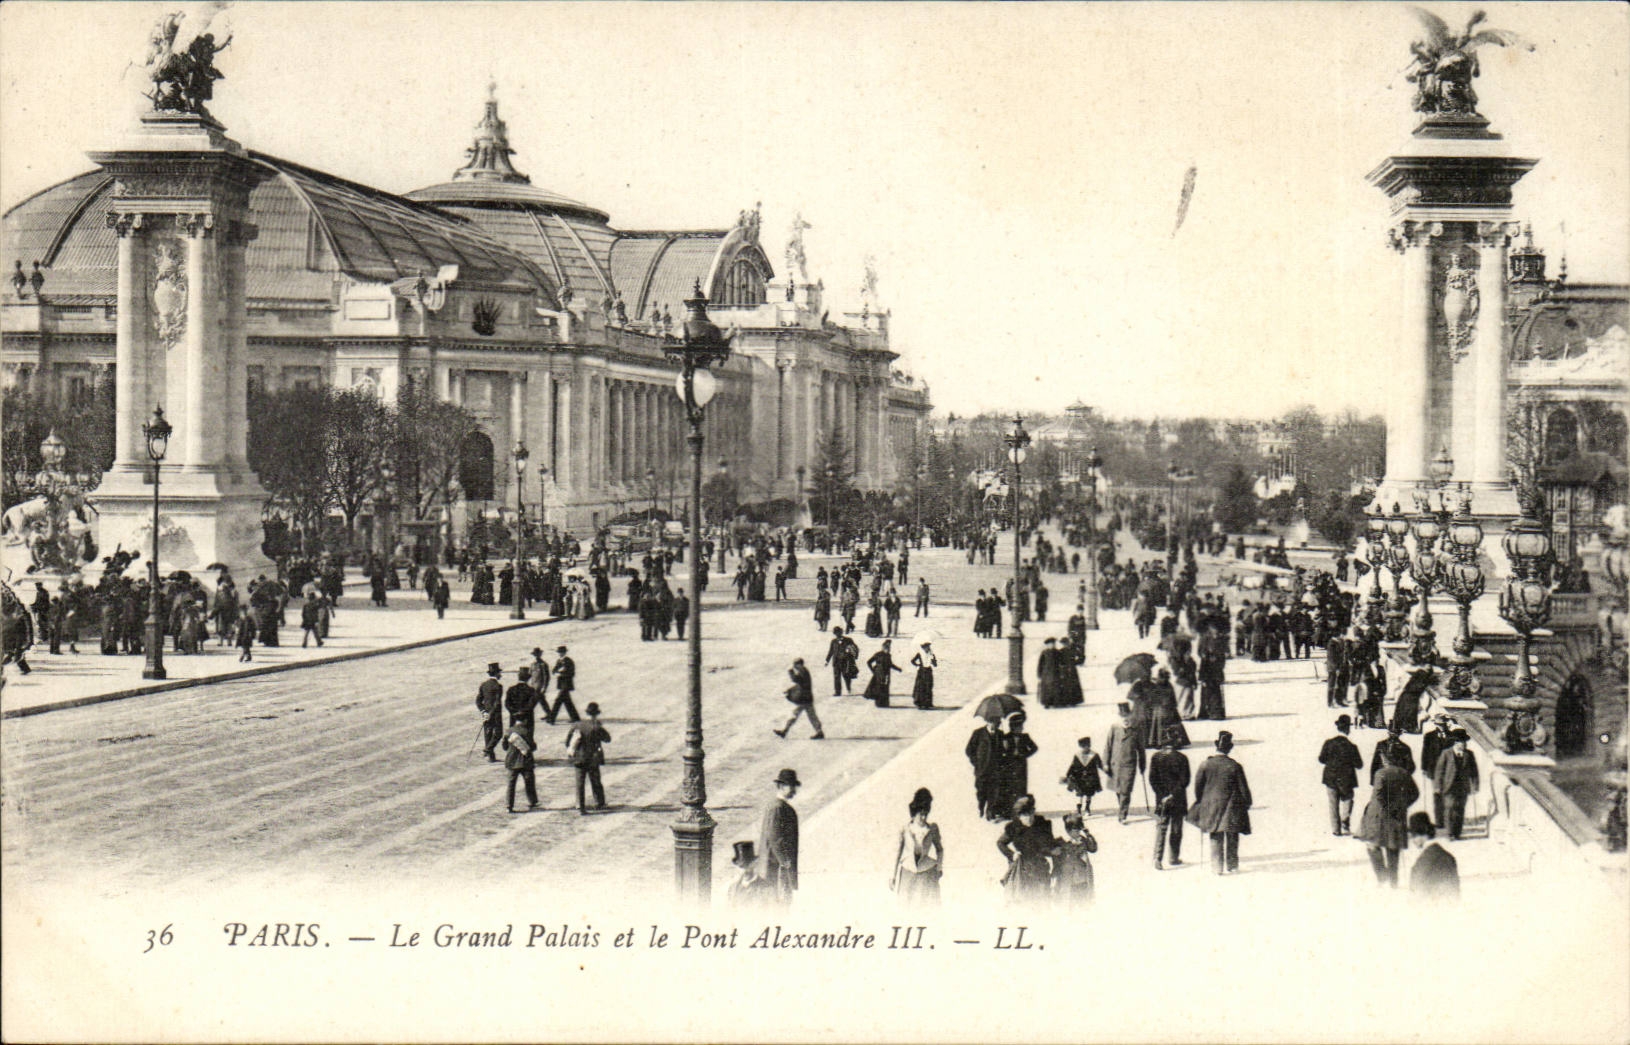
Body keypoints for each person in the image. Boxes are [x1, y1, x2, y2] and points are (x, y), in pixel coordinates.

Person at [1187, 731, 1252, 875]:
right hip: (1232, 807)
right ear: (1229, 748)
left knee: (1215, 835)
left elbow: (1198, 788)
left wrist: (1202, 801)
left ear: (1216, 746)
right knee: (1232, 835)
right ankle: (1232, 866)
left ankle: (1217, 868)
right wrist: (1247, 803)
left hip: (1212, 806)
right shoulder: (1235, 766)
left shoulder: (1206, 764)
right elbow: (1243, 789)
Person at [1357, 744, 1419, 887]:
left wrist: (1388, 808)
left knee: (1372, 845)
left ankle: (1382, 875)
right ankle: (1393, 881)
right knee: (1393, 848)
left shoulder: (1381, 774)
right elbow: (1415, 794)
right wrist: (1402, 806)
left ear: (1385, 760)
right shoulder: (1404, 773)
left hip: (1380, 816)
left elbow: (1378, 795)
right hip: (1398, 816)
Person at [996, 795, 1058, 904]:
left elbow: (1050, 845)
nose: (1028, 818)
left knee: (1042, 900)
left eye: (1030, 814)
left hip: (1040, 868)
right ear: (1019, 816)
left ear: (1034, 812)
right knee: (1022, 900)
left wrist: (1052, 852)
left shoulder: (1043, 825)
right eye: (1024, 815)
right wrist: (1012, 854)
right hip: (1021, 869)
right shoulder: (1013, 828)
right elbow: (1001, 843)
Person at [891, 787, 944, 906]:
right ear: (915, 812)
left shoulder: (932, 829)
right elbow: (897, 854)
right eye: (921, 814)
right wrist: (893, 876)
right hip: (908, 872)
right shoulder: (905, 829)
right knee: (905, 907)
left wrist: (939, 868)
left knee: (928, 907)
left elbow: (940, 850)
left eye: (926, 814)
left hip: (927, 873)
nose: (924, 818)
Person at [1149, 726, 1191, 870]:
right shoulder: (1182, 758)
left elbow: (1152, 780)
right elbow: (1185, 781)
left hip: (1161, 800)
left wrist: (1162, 796)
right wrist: (1173, 794)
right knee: (1176, 829)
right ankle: (1173, 857)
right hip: (1178, 799)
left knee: (1161, 827)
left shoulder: (1156, 758)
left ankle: (1157, 858)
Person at [758, 768, 801, 906]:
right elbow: (775, 838)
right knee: (778, 905)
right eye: (791, 787)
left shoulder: (780, 807)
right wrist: (784, 861)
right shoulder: (777, 808)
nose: (794, 791)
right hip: (776, 868)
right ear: (782, 787)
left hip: (779, 866)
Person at [1318, 714, 1365, 836]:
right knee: (1347, 799)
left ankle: (1336, 829)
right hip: (1347, 778)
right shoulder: (1352, 746)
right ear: (1348, 729)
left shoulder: (1328, 743)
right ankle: (1345, 820)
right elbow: (1359, 764)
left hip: (1330, 777)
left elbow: (1321, 759)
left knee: (1333, 803)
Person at [1432, 729, 1480, 841]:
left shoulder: (1469, 755)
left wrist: (1475, 786)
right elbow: (1439, 771)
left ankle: (1457, 833)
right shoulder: (1446, 753)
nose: (1463, 745)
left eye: (1464, 743)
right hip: (1449, 786)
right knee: (1449, 808)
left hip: (1463, 787)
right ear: (1455, 743)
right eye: (1460, 743)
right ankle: (1450, 833)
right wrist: (1437, 786)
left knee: (1460, 809)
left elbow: (1474, 772)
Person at [565, 702, 612, 814]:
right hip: (593, 758)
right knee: (595, 781)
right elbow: (607, 739)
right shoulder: (596, 726)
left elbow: (568, 741)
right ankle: (599, 803)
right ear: (596, 714)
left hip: (579, 758)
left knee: (580, 783)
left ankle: (580, 806)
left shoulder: (576, 725)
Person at [1104, 702, 1146, 824]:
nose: (1126, 719)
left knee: (1126, 790)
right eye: (1123, 717)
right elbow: (1108, 746)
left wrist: (1142, 765)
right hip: (1115, 764)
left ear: (1131, 716)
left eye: (1127, 716)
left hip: (1129, 765)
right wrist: (1105, 763)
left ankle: (1122, 814)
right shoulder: (1114, 728)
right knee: (1118, 790)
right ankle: (1122, 807)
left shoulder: (1136, 728)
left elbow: (1141, 749)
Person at [1407, 812, 1459, 900]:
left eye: (1413, 836)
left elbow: (1416, 896)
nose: (1413, 840)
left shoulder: (1421, 864)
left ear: (1419, 836)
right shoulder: (1449, 857)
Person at [998, 711, 1039, 817]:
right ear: (1013, 727)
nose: (1021, 729)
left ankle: (1021, 809)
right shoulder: (1005, 737)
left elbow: (1034, 748)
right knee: (1010, 787)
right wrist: (1005, 748)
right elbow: (1001, 752)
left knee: (1021, 787)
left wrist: (1025, 754)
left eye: (1021, 726)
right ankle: (1009, 810)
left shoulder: (1025, 737)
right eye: (1019, 727)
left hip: (1021, 765)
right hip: (1009, 766)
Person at [966, 709, 1004, 820]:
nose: (994, 726)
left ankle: (990, 811)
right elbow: (969, 750)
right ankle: (981, 806)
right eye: (993, 723)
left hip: (995, 769)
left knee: (994, 791)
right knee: (981, 790)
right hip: (981, 769)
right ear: (987, 722)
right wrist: (976, 762)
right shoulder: (978, 733)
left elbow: (1003, 752)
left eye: (997, 723)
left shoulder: (1000, 735)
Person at [775, 658, 824, 740]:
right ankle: (819, 732)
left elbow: (795, 680)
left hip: (803, 699)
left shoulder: (803, 672)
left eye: (795, 665)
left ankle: (785, 731)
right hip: (807, 698)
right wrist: (789, 690)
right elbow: (799, 684)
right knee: (812, 716)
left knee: (795, 714)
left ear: (800, 664)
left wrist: (790, 672)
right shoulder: (804, 671)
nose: (794, 667)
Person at [1054, 812, 1098, 905]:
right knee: (1070, 904)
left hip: (1083, 879)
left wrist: (1088, 833)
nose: (1078, 832)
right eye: (1075, 830)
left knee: (1084, 904)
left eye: (1079, 830)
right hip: (1069, 880)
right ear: (1068, 831)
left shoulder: (1083, 840)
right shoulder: (1062, 842)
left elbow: (1093, 848)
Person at [1061, 736, 1105, 817]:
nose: (1086, 748)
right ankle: (1078, 810)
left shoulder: (1094, 755)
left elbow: (1100, 765)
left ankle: (1087, 809)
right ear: (1081, 747)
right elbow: (1073, 766)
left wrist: (1106, 770)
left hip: (1091, 778)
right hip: (1079, 777)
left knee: (1089, 793)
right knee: (1080, 794)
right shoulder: (1077, 755)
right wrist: (1067, 775)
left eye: (1088, 746)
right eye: (1084, 746)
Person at [503, 719, 539, 814]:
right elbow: (532, 747)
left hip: (512, 761)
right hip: (525, 761)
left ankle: (509, 805)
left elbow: (504, 746)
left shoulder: (509, 731)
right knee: (529, 782)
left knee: (511, 784)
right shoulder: (527, 731)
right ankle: (532, 801)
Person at [726, 841, 773, 908]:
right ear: (737, 868)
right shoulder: (732, 889)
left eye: (748, 866)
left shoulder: (766, 887)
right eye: (741, 867)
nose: (745, 870)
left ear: (754, 865)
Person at [476, 661, 505, 763]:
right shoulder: (498, 686)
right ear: (496, 674)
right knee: (498, 733)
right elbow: (497, 703)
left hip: (486, 714)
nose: (500, 675)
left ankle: (491, 757)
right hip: (495, 714)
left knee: (488, 734)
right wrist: (491, 713)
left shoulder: (484, 685)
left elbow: (478, 700)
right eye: (499, 673)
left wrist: (484, 712)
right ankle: (488, 750)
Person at [863, 639, 902, 709]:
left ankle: (885, 703)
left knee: (885, 688)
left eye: (889, 648)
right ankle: (878, 703)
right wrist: (873, 671)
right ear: (883, 648)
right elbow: (869, 662)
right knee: (879, 688)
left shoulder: (888, 655)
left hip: (886, 674)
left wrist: (898, 669)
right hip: (879, 674)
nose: (889, 650)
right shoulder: (878, 654)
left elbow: (890, 664)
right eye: (887, 648)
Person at [548, 645, 581, 725]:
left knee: (558, 701)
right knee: (567, 701)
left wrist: (561, 673)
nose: (560, 654)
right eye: (559, 652)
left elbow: (571, 673)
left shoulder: (568, 661)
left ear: (565, 652)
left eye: (561, 652)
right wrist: (557, 672)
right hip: (562, 684)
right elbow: (554, 670)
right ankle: (575, 718)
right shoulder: (559, 661)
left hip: (566, 684)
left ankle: (551, 719)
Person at [505, 666, 538, 736]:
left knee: (513, 737)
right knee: (527, 739)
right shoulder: (531, 690)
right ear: (528, 679)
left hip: (514, 717)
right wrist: (522, 712)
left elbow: (507, 703)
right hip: (527, 718)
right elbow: (531, 704)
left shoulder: (511, 689)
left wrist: (514, 711)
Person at [825, 627, 854, 697]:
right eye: (836, 633)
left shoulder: (848, 640)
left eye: (839, 632)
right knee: (837, 677)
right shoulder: (833, 641)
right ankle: (838, 691)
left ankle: (848, 688)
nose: (838, 634)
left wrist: (850, 653)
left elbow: (854, 649)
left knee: (846, 676)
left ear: (841, 632)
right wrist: (827, 660)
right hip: (836, 662)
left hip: (845, 661)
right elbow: (831, 651)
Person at [1035, 637, 1063, 707]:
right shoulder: (1044, 653)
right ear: (1047, 645)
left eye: (1053, 644)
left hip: (1056, 672)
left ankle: (1055, 703)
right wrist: (1039, 674)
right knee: (1046, 689)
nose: (1052, 645)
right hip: (1046, 673)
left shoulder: (1057, 652)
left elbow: (1061, 663)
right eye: (1051, 644)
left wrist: (1062, 672)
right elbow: (1040, 664)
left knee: (1056, 688)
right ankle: (1046, 703)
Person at [910, 642, 937, 710]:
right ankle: (920, 703)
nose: (927, 649)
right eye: (926, 647)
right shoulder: (919, 654)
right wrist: (918, 665)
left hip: (928, 672)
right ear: (923, 648)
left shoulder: (931, 654)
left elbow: (935, 665)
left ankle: (927, 703)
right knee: (921, 687)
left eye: (928, 647)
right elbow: (912, 661)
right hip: (921, 672)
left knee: (928, 687)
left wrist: (933, 660)